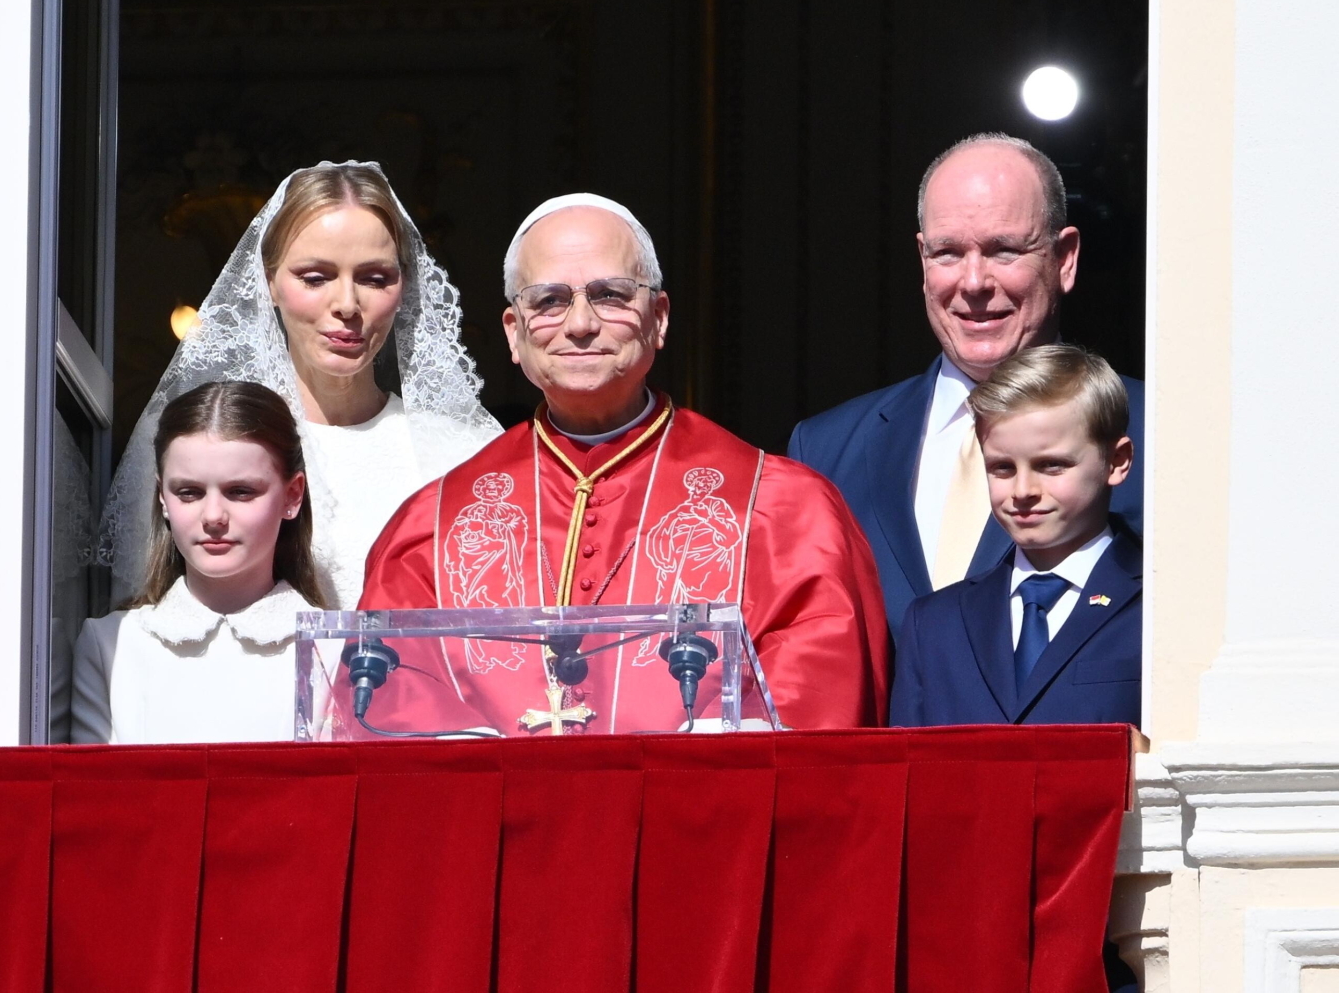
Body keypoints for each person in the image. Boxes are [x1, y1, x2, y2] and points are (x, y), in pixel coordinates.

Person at [357, 193, 890, 733]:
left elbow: (815, 699)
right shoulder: (435, 525)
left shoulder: (782, 512)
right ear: (513, 333)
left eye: (611, 295)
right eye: (549, 301)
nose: (581, 324)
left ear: (658, 318)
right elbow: (388, 702)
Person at [98, 161, 501, 611]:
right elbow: (140, 622)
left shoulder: (465, 454)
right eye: (315, 277)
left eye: (374, 278)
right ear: (269, 282)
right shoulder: (191, 446)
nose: (347, 304)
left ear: (403, 287)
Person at [787, 134, 1145, 629]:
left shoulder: (1153, 434)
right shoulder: (825, 451)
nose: (973, 283)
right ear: (923, 261)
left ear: (1064, 259)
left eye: (1003, 250)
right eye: (948, 253)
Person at [889, 345, 1140, 727]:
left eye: (1051, 465)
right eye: (1002, 468)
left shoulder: (1162, 608)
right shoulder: (936, 624)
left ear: (1117, 461)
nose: (1023, 490)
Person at [72, 381, 325, 744]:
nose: (213, 516)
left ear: (292, 495)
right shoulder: (113, 644)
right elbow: (96, 794)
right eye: (188, 492)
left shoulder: (334, 651)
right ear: (162, 498)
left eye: (241, 491)